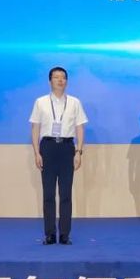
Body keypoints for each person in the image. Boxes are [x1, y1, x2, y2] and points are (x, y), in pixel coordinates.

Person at [30, 66, 88, 245]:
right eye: (56, 77)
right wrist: (37, 153)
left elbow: (79, 128)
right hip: (47, 147)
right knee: (48, 194)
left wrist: (78, 151)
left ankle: (64, 234)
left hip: (67, 148)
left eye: (63, 77)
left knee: (65, 194)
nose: (60, 80)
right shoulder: (40, 102)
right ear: (50, 81)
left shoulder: (74, 102)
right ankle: (49, 234)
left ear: (67, 81)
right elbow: (35, 128)